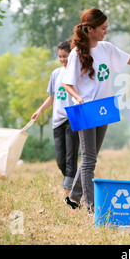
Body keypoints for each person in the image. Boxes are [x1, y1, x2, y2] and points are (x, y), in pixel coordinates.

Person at [62, 8, 130, 213]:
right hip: (85, 108)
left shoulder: (106, 48)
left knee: (92, 156)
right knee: (89, 159)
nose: (105, 32)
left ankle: (74, 197)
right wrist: (77, 97)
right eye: (102, 28)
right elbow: (67, 84)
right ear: (89, 29)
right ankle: (91, 207)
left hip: (105, 107)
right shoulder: (76, 53)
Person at [31, 40, 80, 191]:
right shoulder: (56, 74)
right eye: (60, 56)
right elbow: (52, 97)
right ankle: (78, 185)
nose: (62, 59)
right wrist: (40, 110)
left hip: (73, 118)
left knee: (71, 158)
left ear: (72, 55)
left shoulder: (79, 73)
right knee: (61, 161)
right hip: (57, 121)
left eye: (65, 56)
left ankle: (70, 191)